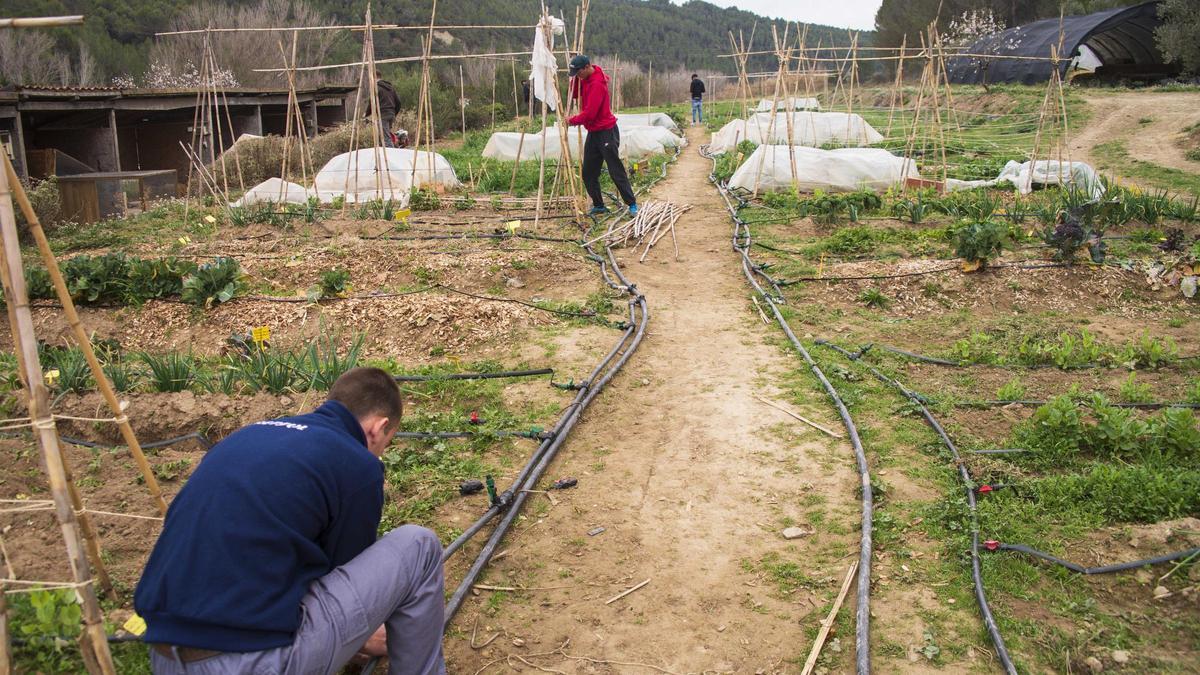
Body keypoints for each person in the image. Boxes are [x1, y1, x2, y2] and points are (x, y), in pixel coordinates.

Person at [135, 367, 446, 675]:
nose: (378, 454)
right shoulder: (357, 464)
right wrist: (366, 635)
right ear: (379, 428)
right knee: (419, 547)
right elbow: (342, 573)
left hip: (164, 656)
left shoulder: (246, 437)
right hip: (253, 660)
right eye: (385, 445)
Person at [567, 54, 638, 217]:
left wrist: (572, 120)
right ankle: (599, 205)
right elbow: (574, 94)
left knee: (615, 169)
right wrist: (575, 78)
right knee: (588, 172)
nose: (578, 76)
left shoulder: (597, 84)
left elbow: (590, 114)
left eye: (578, 72)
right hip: (594, 132)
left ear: (587, 67)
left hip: (606, 132)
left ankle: (632, 204)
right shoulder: (584, 78)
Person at [376, 71, 402, 148]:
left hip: (383, 115)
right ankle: (387, 150)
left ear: (374, 76)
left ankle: (390, 152)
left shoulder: (377, 87)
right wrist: (394, 113)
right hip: (391, 114)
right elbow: (398, 102)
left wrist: (366, 113)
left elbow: (371, 102)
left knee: (386, 138)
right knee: (386, 135)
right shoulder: (390, 87)